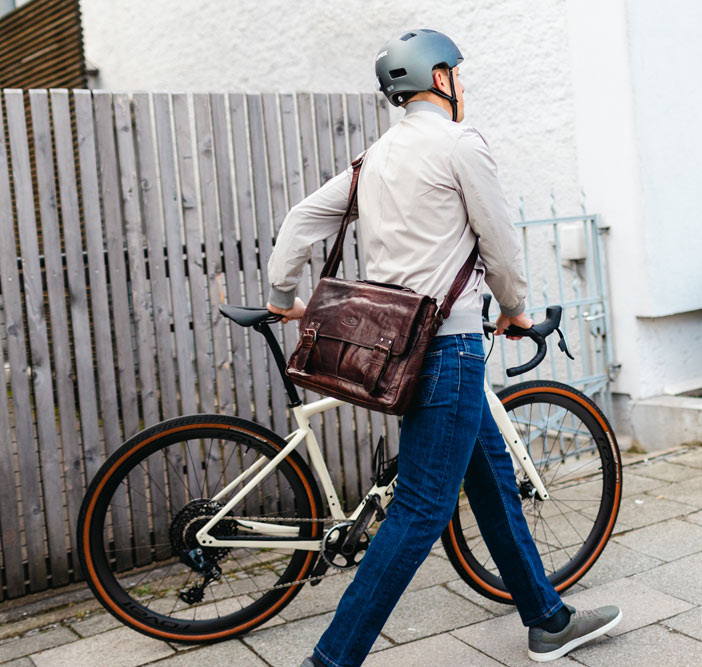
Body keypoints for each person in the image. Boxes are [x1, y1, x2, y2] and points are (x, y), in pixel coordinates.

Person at [266, 29, 621, 666]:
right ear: (439, 78)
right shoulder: (460, 144)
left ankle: (548, 619)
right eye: (457, 71)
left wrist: (280, 294)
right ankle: (331, 659)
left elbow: (299, 222)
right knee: (421, 510)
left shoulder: (373, 158)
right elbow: (500, 244)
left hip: (399, 352)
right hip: (450, 350)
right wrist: (514, 311)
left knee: (491, 486)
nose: (462, 80)